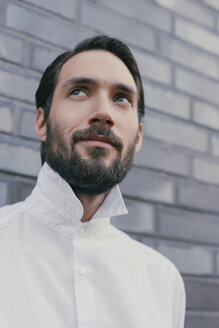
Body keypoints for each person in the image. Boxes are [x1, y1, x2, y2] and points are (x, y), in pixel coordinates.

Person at [0, 35, 185, 327]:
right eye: (79, 92)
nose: (104, 113)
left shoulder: (164, 282)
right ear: (41, 122)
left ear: (137, 137)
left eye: (121, 98)